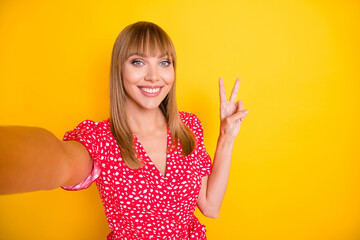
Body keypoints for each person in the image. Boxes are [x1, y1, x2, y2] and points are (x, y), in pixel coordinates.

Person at [0, 21, 249, 239]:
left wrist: (226, 137)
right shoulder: (101, 140)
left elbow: (211, 207)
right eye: (138, 62)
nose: (154, 76)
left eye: (164, 62)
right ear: (119, 68)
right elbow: (59, 159)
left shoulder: (187, 128)